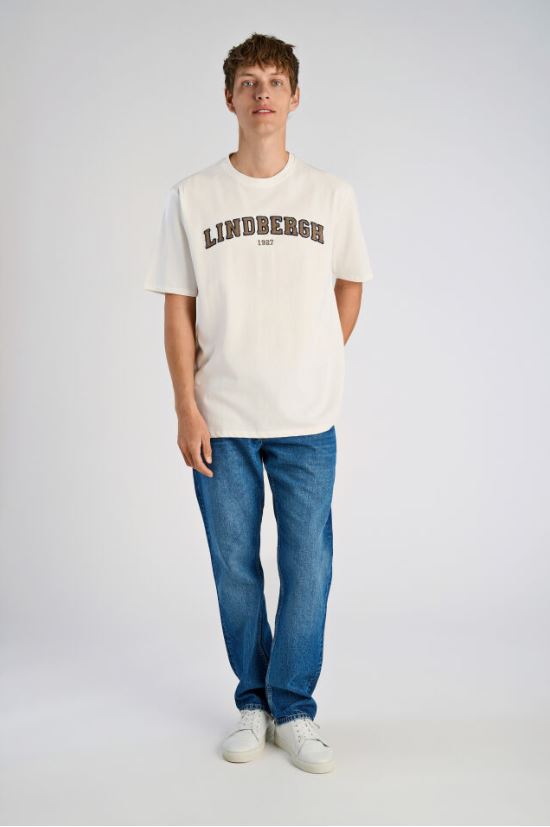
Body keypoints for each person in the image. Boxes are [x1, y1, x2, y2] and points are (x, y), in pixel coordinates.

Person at [144, 32, 374, 774]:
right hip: (222, 418)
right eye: (249, 82)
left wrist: (319, 354)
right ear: (229, 98)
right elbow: (177, 308)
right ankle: (255, 701)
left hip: (308, 419)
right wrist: (186, 406)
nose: (263, 94)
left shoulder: (331, 195)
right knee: (235, 568)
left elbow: (350, 282)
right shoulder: (193, 196)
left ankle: (294, 707)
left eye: (275, 82)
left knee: (309, 568)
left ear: (295, 97)